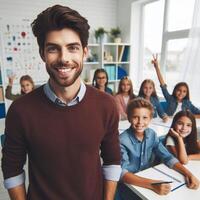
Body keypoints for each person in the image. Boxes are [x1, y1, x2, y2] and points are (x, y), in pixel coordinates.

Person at [1, 5, 121, 200]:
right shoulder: (20, 110)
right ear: (42, 54)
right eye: (53, 49)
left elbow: (112, 161)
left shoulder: (106, 105)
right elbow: (12, 169)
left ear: (84, 52)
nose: (64, 58)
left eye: (72, 48)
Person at [118, 98, 199, 198]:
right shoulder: (122, 141)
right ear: (129, 118)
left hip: (147, 179)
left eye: (145, 117)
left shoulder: (151, 134)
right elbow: (122, 174)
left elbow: (167, 157)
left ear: (150, 119)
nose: (140, 122)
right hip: (129, 185)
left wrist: (188, 174)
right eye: (135, 117)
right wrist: (152, 185)